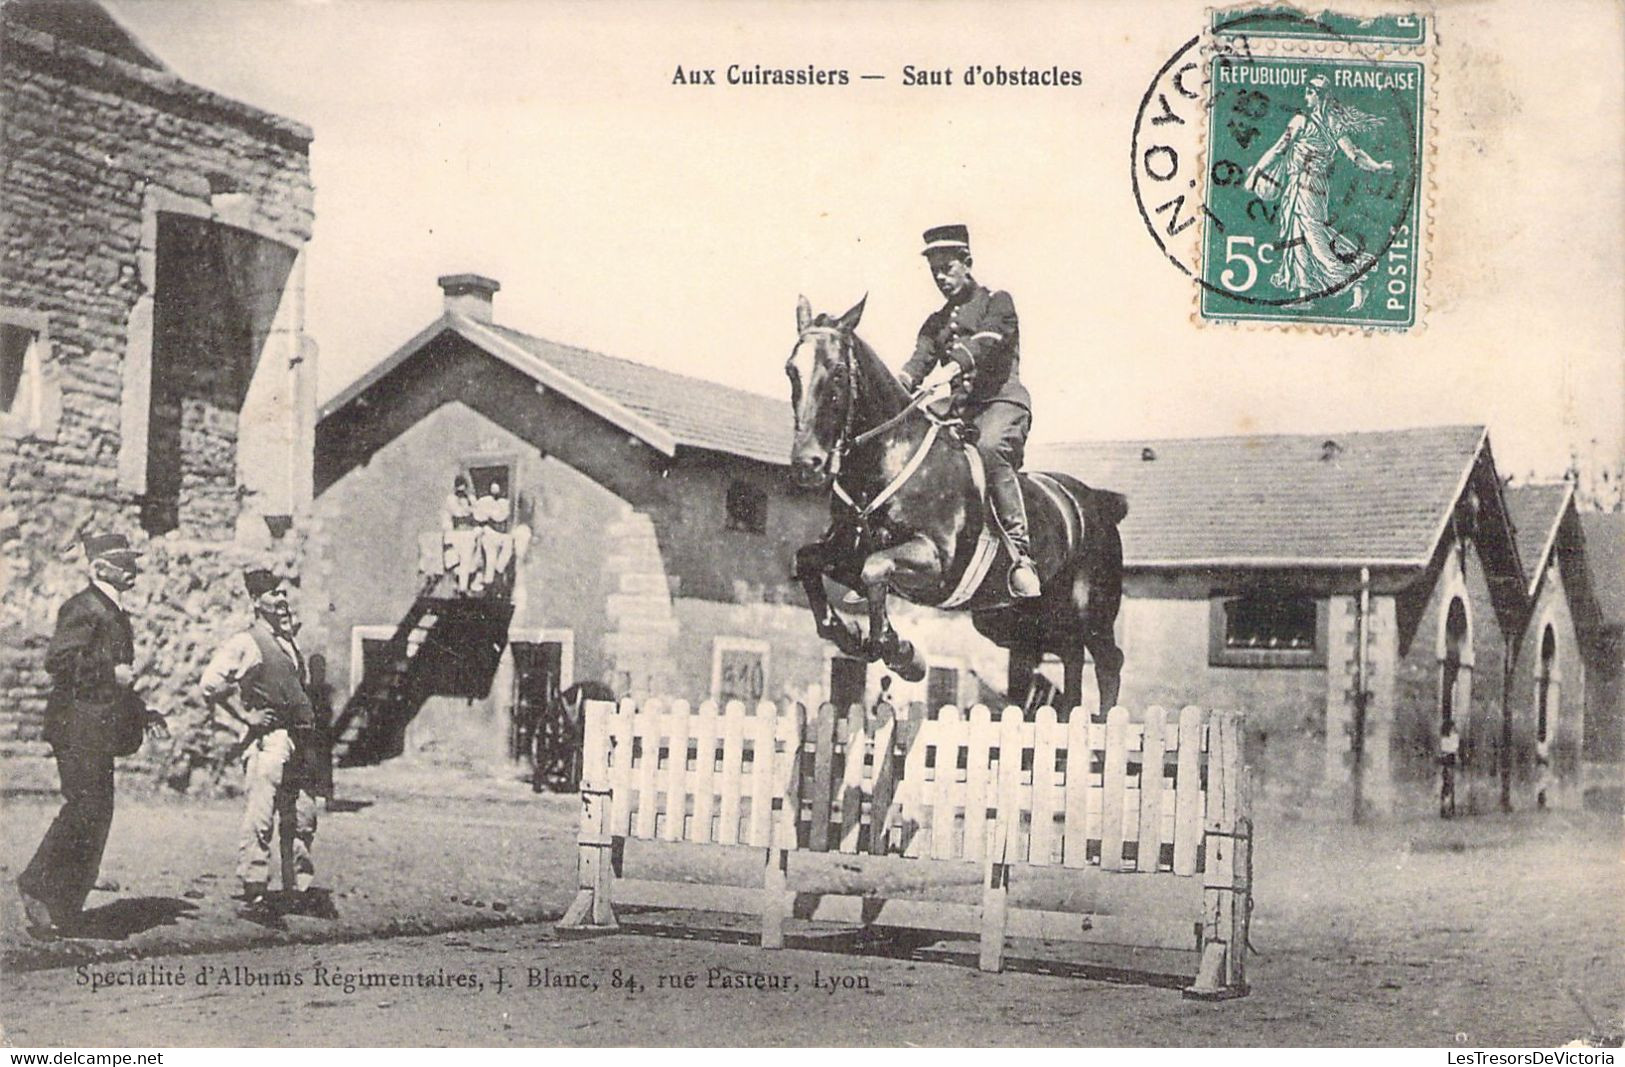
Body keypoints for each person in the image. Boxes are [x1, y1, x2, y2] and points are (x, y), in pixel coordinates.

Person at [17, 533, 167, 937]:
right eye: (123, 562)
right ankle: (37, 889)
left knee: (98, 813)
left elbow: (120, 683)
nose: (131, 568)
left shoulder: (114, 611)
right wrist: (109, 671)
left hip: (97, 728)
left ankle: (65, 905)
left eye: (131, 561)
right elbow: (60, 661)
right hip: (76, 726)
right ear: (100, 568)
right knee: (84, 809)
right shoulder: (84, 607)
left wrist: (142, 711)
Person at [897, 224, 1039, 598]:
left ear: (968, 262)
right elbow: (916, 363)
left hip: (1001, 405)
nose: (941, 278)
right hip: (959, 414)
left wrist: (950, 369)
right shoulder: (935, 323)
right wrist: (897, 386)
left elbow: (986, 342)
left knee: (990, 450)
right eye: (934, 272)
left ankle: (1020, 553)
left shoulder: (998, 302)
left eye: (947, 267)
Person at [200, 569, 322, 916]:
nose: (282, 601)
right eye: (273, 595)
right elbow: (210, 685)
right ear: (256, 602)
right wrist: (245, 717)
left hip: (298, 739)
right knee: (262, 814)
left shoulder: (288, 643)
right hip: (269, 741)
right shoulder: (246, 642)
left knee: (300, 816)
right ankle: (254, 888)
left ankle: (297, 889)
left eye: (283, 594)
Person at [1244, 75, 1395, 311]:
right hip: (1306, 186)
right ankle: (1305, 295)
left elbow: (1279, 149)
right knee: (1297, 238)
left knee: (1314, 238)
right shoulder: (1331, 124)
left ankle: (1356, 278)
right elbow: (1355, 155)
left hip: (1307, 187)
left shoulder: (1302, 121)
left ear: (1319, 95)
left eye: (1309, 91)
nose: (1305, 96)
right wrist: (1377, 166)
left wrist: (1256, 173)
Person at [441, 474, 479, 595]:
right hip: (456, 534)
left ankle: (463, 588)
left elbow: (476, 513)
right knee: (452, 561)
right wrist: (448, 536)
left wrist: (474, 530)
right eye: (459, 487)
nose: (461, 490)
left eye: (463, 487)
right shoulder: (451, 499)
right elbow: (454, 513)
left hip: (468, 533)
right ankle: (454, 587)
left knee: (466, 561)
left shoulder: (471, 499)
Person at [474, 479, 513, 590]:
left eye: (497, 489)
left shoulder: (505, 502)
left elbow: (504, 516)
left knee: (506, 550)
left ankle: (499, 573)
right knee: (490, 560)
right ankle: (489, 586)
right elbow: (479, 515)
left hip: (502, 534)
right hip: (490, 532)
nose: (495, 492)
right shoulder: (485, 501)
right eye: (492, 489)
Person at [1438, 718, 1460, 819]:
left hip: (1446, 763)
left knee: (1447, 786)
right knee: (1449, 785)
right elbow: (1454, 748)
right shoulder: (1451, 738)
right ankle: (1448, 808)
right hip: (1449, 762)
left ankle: (1446, 808)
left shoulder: (1443, 739)